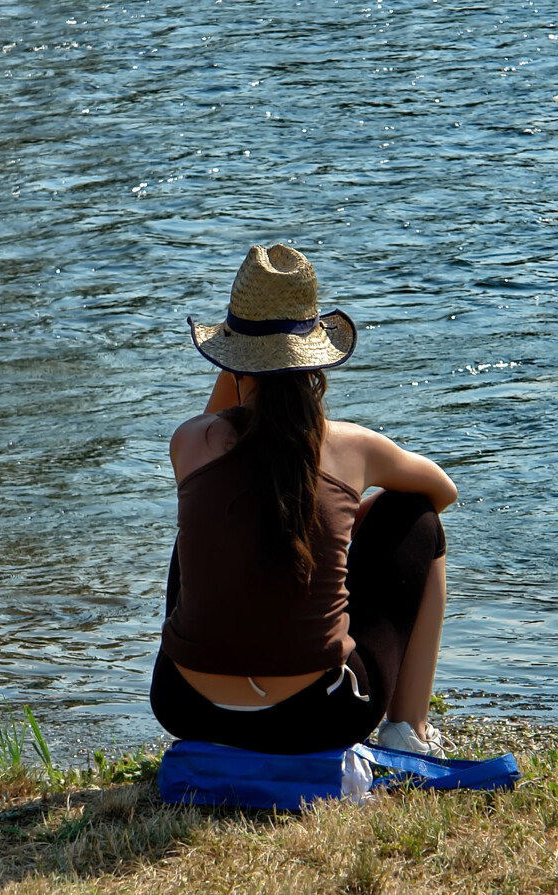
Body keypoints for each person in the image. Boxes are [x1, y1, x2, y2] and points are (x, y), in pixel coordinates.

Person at [150, 243, 458, 757]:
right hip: (319, 716)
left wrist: (239, 360)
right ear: (316, 364)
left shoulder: (189, 442)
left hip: (187, 708)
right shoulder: (353, 446)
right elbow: (442, 490)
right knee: (417, 517)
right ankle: (411, 731)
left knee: (203, 522)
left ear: (232, 363)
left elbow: (219, 428)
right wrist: (348, 520)